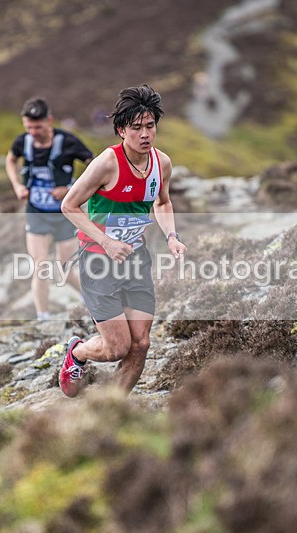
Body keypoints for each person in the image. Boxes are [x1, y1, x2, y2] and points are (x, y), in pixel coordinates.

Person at [59, 85, 187, 397]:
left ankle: (111, 408)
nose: (145, 134)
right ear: (121, 130)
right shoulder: (107, 163)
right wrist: (105, 241)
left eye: (150, 126)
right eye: (136, 128)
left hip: (136, 259)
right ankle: (77, 353)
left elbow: (163, 203)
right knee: (118, 347)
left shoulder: (162, 164)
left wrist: (172, 236)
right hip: (98, 260)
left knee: (141, 344)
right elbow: (69, 206)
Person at [5, 97, 94, 320]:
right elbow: (10, 160)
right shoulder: (22, 142)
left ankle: (89, 299)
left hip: (65, 212)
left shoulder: (68, 141)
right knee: (40, 266)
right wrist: (17, 186)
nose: (33, 132)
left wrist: (70, 189)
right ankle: (42, 316)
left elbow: (94, 166)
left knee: (64, 267)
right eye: (28, 127)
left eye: (38, 127)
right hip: (36, 212)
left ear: (49, 121)